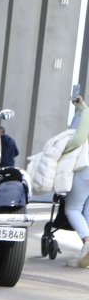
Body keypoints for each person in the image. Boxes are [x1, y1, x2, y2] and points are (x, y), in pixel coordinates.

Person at [64, 94, 89, 268]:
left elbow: (78, 139)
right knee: (87, 213)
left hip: (86, 168)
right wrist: (81, 107)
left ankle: (87, 243)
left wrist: (62, 148)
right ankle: (84, 253)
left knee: (72, 209)